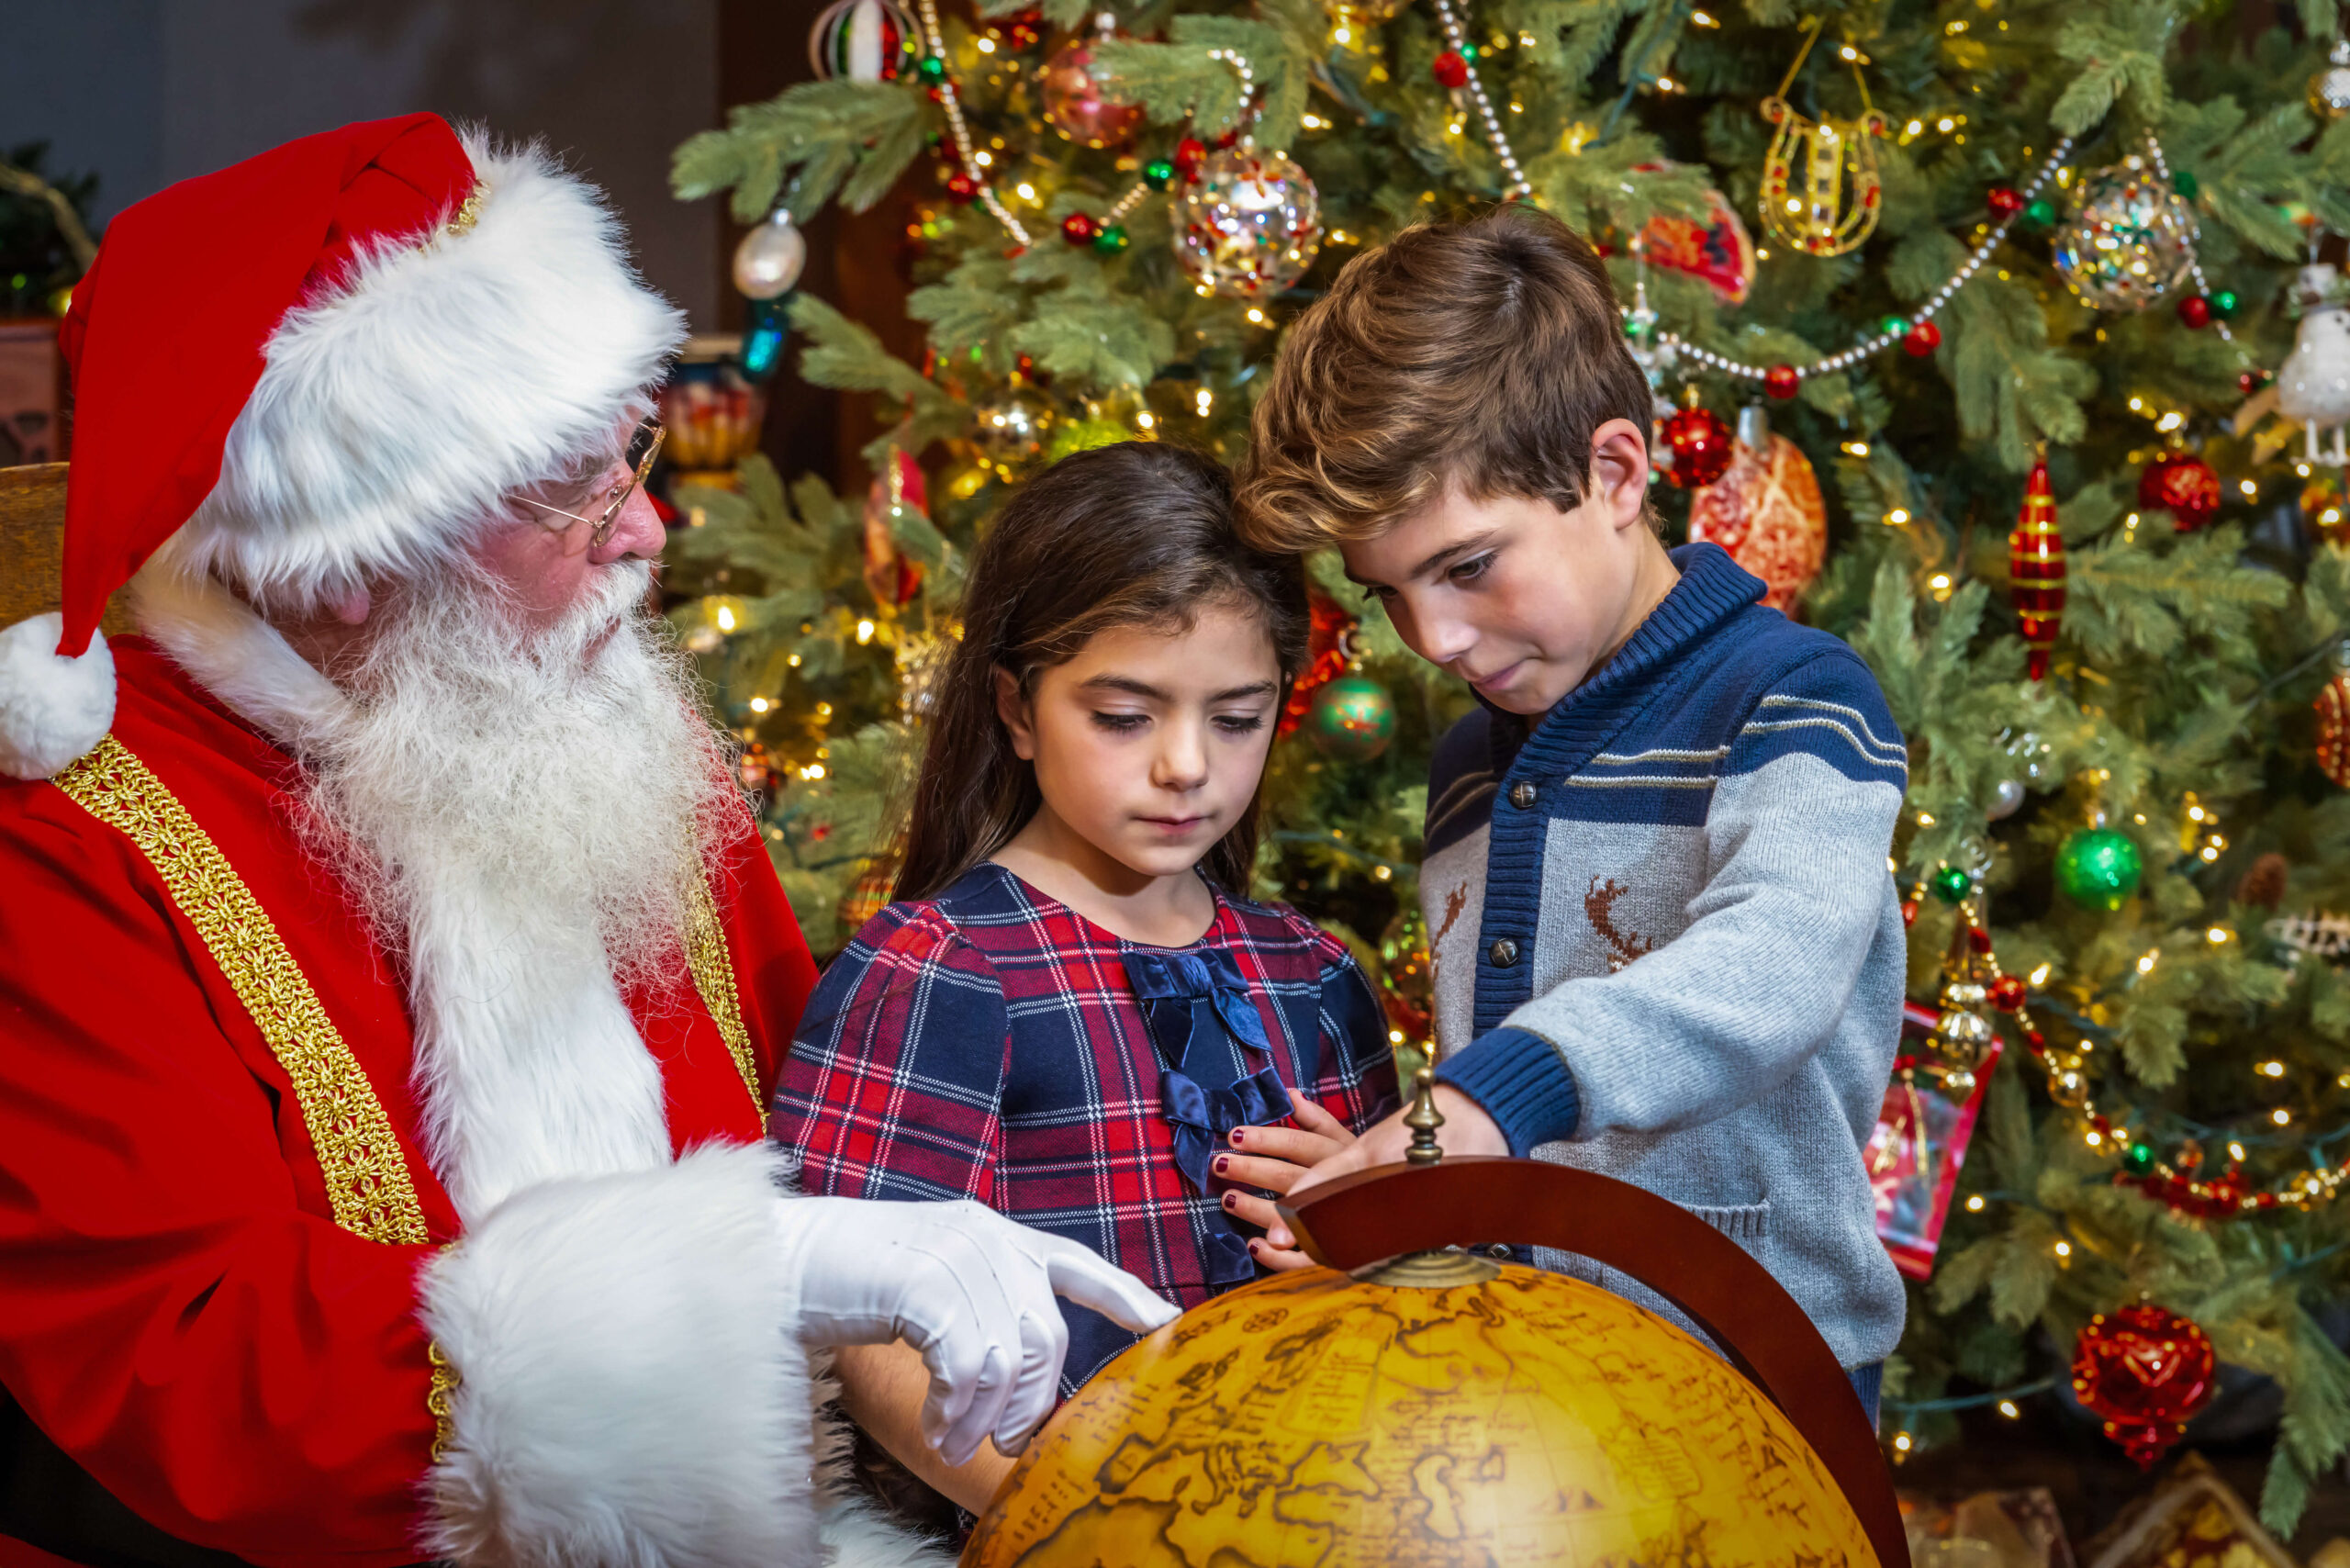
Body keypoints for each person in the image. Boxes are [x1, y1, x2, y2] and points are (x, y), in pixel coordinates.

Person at [0, 115, 1171, 1568]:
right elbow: (184, 1359)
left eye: (634, 451)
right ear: (355, 558)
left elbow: (823, 1108)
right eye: (576, 485)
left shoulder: (617, 738)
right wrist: (757, 1275)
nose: (652, 532)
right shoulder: (75, 846)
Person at [1230, 206, 1908, 1417]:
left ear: (1613, 474)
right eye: (1388, 591)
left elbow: (1772, 969)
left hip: (1758, 1366)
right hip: (1526, 1378)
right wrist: (1397, 1182)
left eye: (1470, 565)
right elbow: (1527, 1114)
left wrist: (1483, 1101)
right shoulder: (1469, 766)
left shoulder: (1794, 700)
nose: (1432, 639)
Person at [772, 442, 1399, 1513]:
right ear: (1017, 710)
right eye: (1123, 717)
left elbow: (1396, 1275)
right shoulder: (939, 969)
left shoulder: (1314, 971)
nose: (1186, 765)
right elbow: (860, 1335)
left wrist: (1365, 1213)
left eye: (1237, 717)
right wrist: (1089, 1527)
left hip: (1318, 1510)